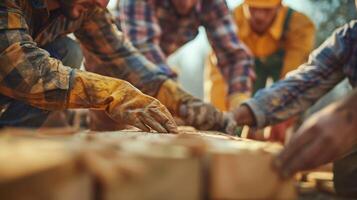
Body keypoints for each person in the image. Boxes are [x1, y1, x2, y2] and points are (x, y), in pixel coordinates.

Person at [0, 0, 231, 134]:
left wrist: (182, 101)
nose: (102, 3)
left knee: (66, 50)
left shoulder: (87, 6)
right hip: (12, 72)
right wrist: (112, 94)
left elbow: (122, 59)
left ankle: (10, 137)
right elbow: (21, 69)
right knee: (67, 52)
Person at [231, 13, 357, 197]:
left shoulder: (299, 26)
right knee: (348, 171)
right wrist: (237, 115)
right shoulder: (349, 38)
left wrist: (349, 113)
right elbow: (301, 84)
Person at [116, 0, 255, 111]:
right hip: (108, 60)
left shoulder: (213, 4)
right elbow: (143, 48)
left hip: (152, 69)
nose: (186, 3)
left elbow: (234, 56)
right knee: (111, 123)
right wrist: (175, 94)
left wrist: (239, 96)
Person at [207, 0, 315, 141]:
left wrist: (283, 114)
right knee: (234, 115)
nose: (259, 16)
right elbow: (220, 77)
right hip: (246, 74)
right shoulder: (231, 21)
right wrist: (220, 119)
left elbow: (294, 78)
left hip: (284, 77)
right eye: (253, 9)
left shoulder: (300, 25)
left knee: (291, 127)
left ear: (279, 6)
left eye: (266, 10)